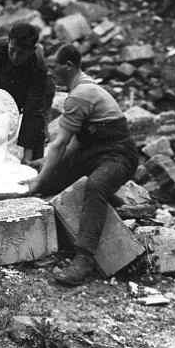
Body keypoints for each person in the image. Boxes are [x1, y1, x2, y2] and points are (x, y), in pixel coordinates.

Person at [20, 44, 139, 286]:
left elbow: (60, 143)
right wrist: (46, 168)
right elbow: (77, 142)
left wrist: (39, 180)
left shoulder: (81, 94)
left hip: (119, 156)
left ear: (69, 66)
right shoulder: (80, 89)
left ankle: (84, 259)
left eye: (54, 68)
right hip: (94, 154)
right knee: (53, 180)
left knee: (95, 186)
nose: (50, 73)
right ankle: (105, 199)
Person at [0, 23, 55, 162]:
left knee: (37, 131)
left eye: (21, 53)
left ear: (31, 50)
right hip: (3, 88)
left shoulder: (38, 67)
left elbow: (32, 112)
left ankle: (34, 167)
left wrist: (26, 156)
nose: (15, 56)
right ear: (8, 43)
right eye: (12, 50)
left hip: (37, 93)